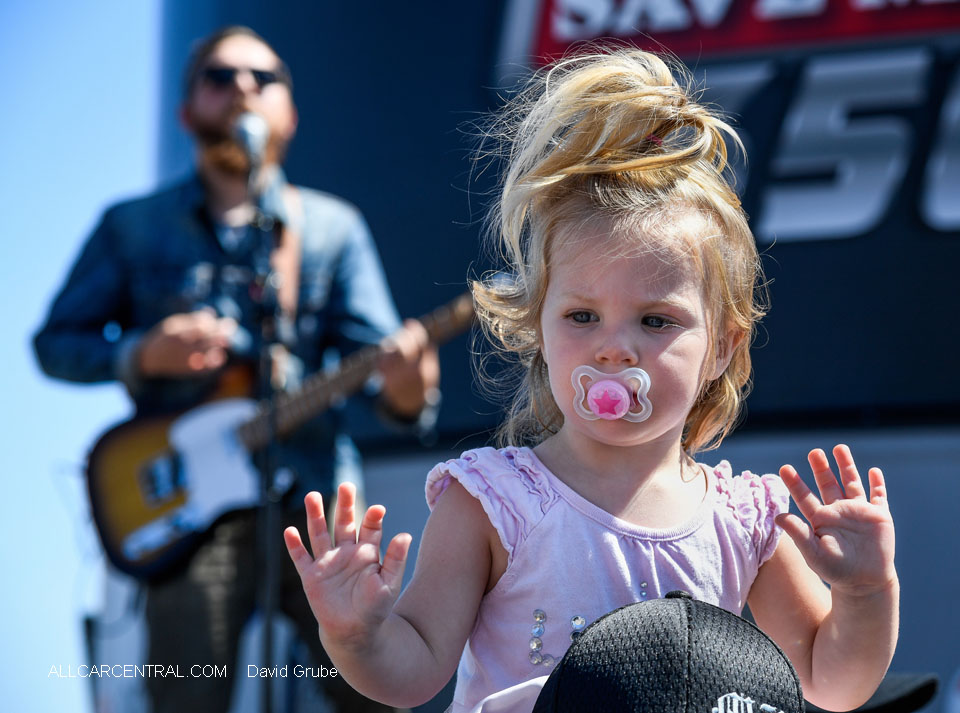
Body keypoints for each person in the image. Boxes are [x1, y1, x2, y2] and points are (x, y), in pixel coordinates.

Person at [282, 48, 898, 713]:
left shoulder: (744, 520)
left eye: (656, 320)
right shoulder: (494, 501)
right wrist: (354, 632)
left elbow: (829, 683)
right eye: (582, 315)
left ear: (722, 346)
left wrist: (866, 592)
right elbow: (410, 674)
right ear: (539, 331)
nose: (613, 348)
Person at [33, 25, 438, 713]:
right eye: (220, 77)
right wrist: (140, 353)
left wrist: (407, 386)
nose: (243, 89)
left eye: (264, 78)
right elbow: (54, 345)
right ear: (187, 111)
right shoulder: (132, 226)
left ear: (290, 113)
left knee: (374, 688)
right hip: (190, 519)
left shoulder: (332, 227)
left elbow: (392, 384)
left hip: (312, 501)